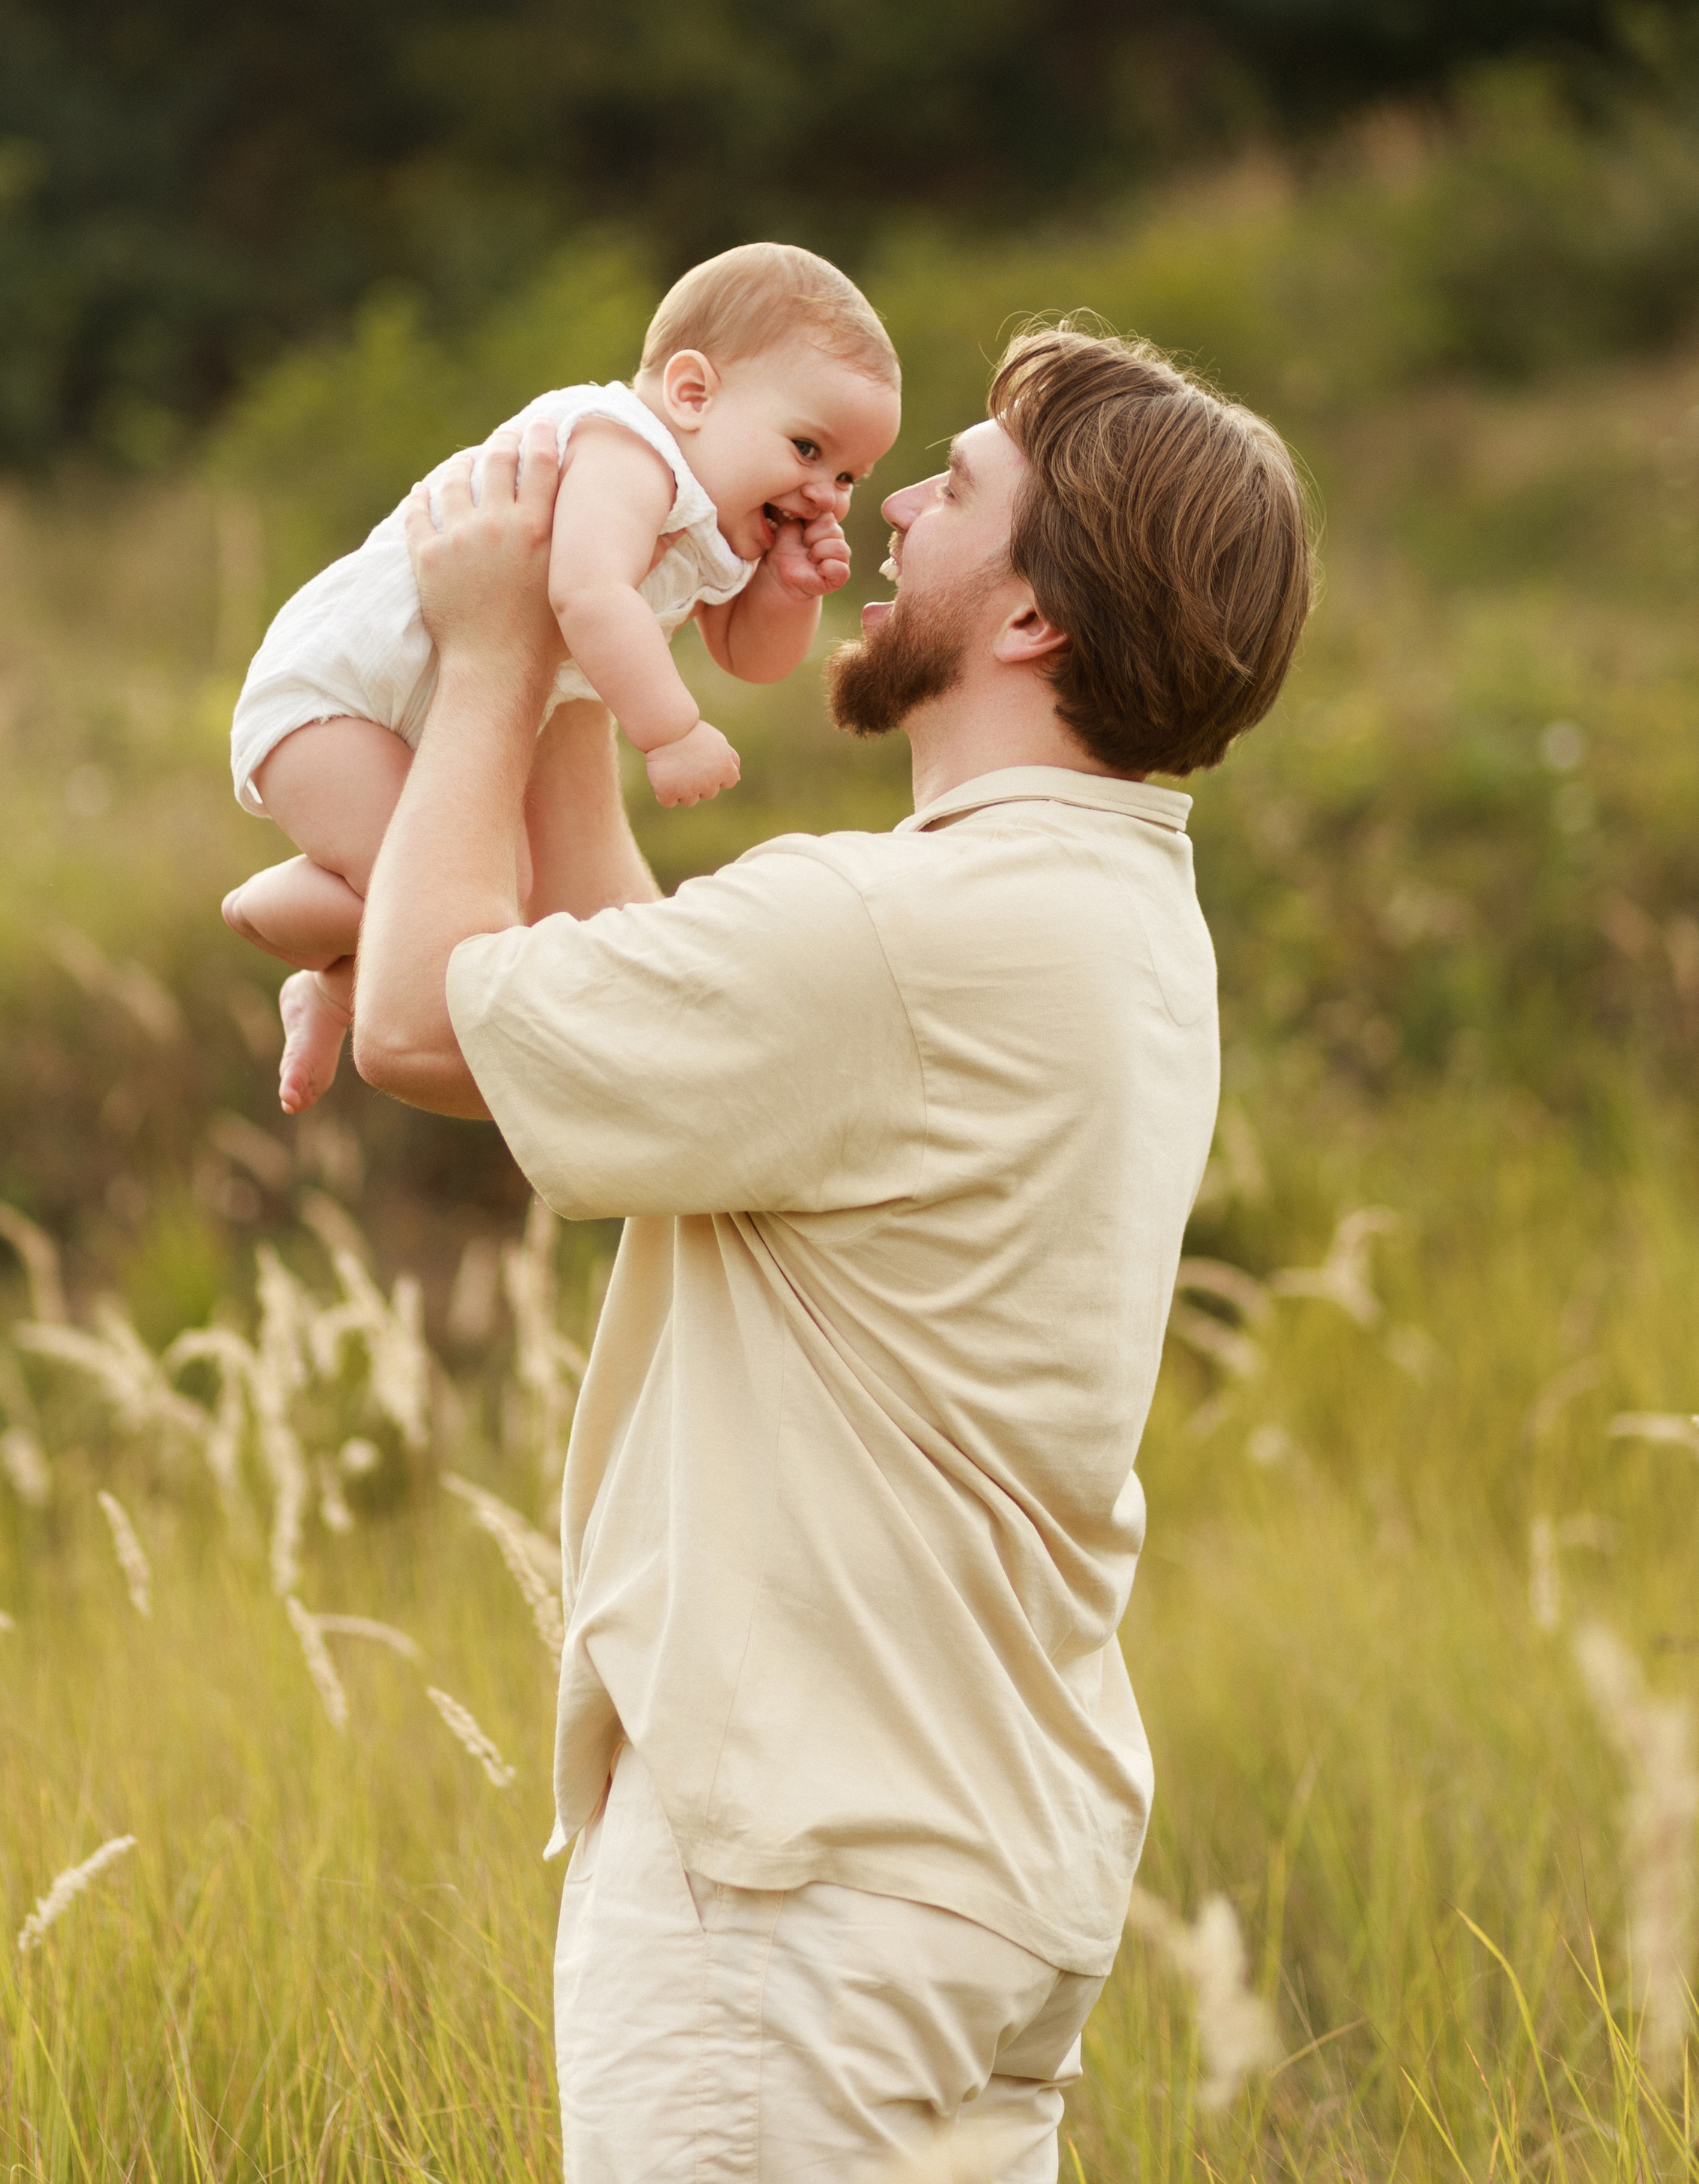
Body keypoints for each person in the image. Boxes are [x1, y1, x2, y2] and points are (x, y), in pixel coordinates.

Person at [351, 320, 1316, 2182]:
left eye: (953, 488)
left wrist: (483, 649)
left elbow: (415, 1024)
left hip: (795, 1886)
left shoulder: (901, 932)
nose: (881, 519)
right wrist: (571, 663)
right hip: (974, 1880)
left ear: (1030, 616)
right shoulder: (1109, 909)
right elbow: (677, 1027)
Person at [220, 242, 901, 1111]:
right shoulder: (627, 453)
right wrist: (671, 732)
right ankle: (267, 913)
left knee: (492, 905)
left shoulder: (725, 516)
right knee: (478, 890)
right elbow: (587, 594)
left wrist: (787, 591)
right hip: (336, 698)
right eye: (807, 448)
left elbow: (747, 657)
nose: (826, 493)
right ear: (692, 394)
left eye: (847, 475)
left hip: (426, 710)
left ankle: (330, 986)